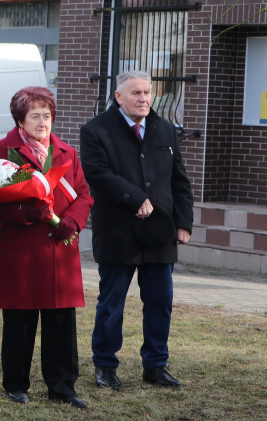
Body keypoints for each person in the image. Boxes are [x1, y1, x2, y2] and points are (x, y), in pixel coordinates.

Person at [79, 69, 194, 391]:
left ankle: (155, 366)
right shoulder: (95, 130)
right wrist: (136, 197)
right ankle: (105, 365)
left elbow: (179, 181)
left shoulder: (165, 130)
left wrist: (183, 222)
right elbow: (97, 175)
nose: (144, 99)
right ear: (119, 96)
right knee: (112, 303)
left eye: (147, 92)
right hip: (118, 234)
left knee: (160, 302)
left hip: (160, 234)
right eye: (136, 93)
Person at [0, 86, 94, 408]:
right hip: (20, 249)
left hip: (59, 250)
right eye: (35, 116)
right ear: (20, 118)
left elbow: (84, 194)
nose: (42, 122)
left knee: (60, 320)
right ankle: (16, 383)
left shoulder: (67, 153)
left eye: (47, 116)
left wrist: (72, 220)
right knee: (20, 318)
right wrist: (26, 214)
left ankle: (62, 386)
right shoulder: (0, 151)